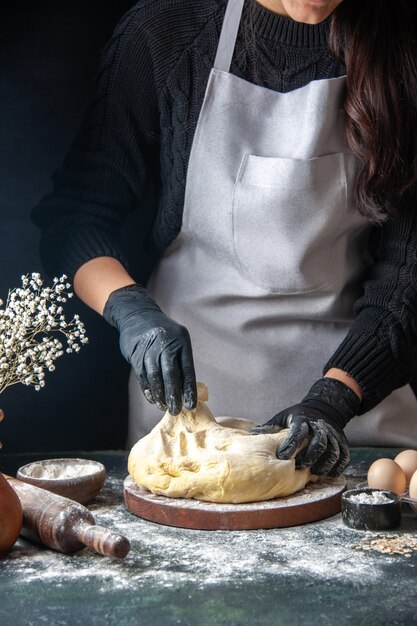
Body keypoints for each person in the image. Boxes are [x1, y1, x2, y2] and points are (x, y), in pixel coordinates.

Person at [32, 0, 417, 477]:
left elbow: (405, 282)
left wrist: (333, 399)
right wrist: (131, 311)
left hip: (357, 427)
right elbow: (77, 218)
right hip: (190, 435)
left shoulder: (405, 44)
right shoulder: (167, 33)